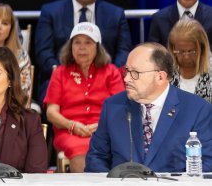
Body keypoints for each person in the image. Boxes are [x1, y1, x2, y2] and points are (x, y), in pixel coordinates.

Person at [86, 43, 212, 172]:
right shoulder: (113, 107)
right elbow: (96, 158)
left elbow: (207, 164)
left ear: (160, 77)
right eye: (127, 71)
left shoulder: (198, 110)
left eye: (135, 73)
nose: (126, 79)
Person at [34, 0, 132, 103]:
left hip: (104, 80)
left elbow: (124, 51)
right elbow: (43, 53)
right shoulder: (51, 12)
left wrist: (109, 76)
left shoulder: (115, 14)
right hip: (60, 79)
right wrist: (64, 76)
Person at [44, 22, 124, 172]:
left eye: (88, 42)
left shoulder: (111, 72)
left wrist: (101, 126)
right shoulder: (60, 73)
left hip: (104, 131)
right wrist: (72, 125)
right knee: (80, 149)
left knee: (118, 146)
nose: (82, 47)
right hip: (69, 132)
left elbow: (119, 109)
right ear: (70, 47)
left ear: (97, 47)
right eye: (77, 42)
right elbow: (51, 112)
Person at [167, 18, 212, 103]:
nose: (186, 57)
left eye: (191, 51)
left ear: (202, 48)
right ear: (172, 48)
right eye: (181, 51)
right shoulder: (165, 72)